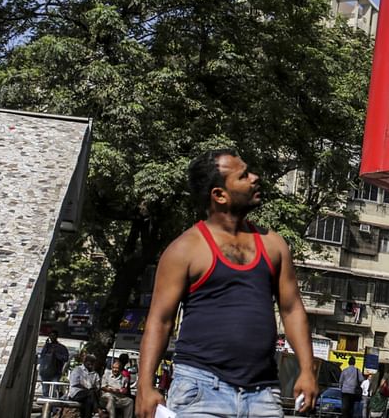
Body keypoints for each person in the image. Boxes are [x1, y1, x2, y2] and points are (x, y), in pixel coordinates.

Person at [136, 149, 319, 418]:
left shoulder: (273, 244)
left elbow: (292, 310)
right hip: (200, 389)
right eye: (243, 176)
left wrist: (307, 370)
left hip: (263, 393)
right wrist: (144, 385)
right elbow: (160, 321)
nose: (255, 178)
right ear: (219, 195)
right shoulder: (185, 249)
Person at [66, 354, 101, 418]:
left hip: (89, 395)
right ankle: (97, 411)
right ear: (85, 362)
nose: (90, 365)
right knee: (90, 393)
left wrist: (94, 389)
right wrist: (87, 389)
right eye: (89, 362)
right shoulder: (77, 370)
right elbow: (74, 383)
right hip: (76, 393)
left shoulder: (95, 374)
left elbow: (97, 386)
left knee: (88, 401)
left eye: (92, 363)